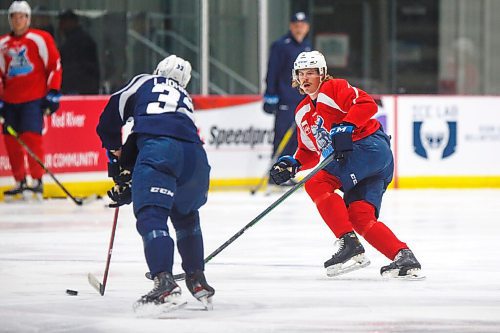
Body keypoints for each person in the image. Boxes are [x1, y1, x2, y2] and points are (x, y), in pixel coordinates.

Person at [270, 51, 423, 279]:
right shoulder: (302, 112)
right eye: (301, 73)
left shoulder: (332, 89)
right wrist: (294, 163)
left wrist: (347, 125)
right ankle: (404, 257)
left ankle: (349, 244)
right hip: (368, 164)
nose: (306, 78)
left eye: (311, 72)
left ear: (322, 74)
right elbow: (310, 151)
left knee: (316, 182)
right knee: (360, 217)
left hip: (368, 148)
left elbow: (367, 104)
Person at [96, 55, 215, 313]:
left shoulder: (145, 81)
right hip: (196, 157)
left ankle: (164, 283)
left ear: (158, 70)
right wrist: (130, 170)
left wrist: (116, 156)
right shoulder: (185, 98)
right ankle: (197, 278)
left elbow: (111, 115)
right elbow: (165, 130)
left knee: (152, 214)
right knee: (185, 216)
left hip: (161, 150)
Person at [0, 0, 62, 201]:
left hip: (32, 100)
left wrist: (53, 92)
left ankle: (37, 181)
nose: (17, 20)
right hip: (9, 101)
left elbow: (54, 65)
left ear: (28, 18)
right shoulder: (2, 44)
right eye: (13, 17)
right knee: (11, 141)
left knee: (32, 139)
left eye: (21, 16)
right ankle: (19, 181)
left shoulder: (40, 39)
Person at [263, 11, 311, 184]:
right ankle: (275, 175)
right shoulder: (281, 45)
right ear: (291, 26)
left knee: (296, 139)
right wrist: (270, 95)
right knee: (282, 137)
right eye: (296, 25)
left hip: (301, 102)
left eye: (302, 25)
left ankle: (287, 174)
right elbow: (272, 71)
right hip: (284, 100)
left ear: (307, 27)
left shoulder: (307, 47)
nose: (299, 29)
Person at [58, 9, 100, 94]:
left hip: (80, 89)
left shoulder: (80, 41)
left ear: (73, 22)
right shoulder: (71, 40)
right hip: (79, 87)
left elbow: (77, 67)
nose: (61, 26)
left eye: (64, 22)